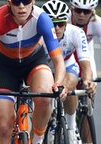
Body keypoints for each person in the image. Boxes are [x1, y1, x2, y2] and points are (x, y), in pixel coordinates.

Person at [0, 0, 67, 144]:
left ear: (32, 1)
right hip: (4, 67)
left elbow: (58, 61)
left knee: (45, 97)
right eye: (16, 2)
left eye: (25, 1)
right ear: (9, 2)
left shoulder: (42, 18)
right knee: (4, 128)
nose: (21, 6)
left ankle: (38, 139)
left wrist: (59, 83)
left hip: (33, 61)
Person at [42, 0, 97, 144]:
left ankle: (72, 129)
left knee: (71, 82)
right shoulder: (39, 36)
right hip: (46, 68)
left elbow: (85, 64)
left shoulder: (76, 32)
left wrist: (88, 81)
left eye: (60, 24)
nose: (56, 28)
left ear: (66, 23)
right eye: (52, 24)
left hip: (67, 65)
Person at [69, 0, 100, 143]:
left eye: (86, 12)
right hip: (68, 59)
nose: (81, 15)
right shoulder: (64, 20)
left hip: (86, 61)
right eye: (78, 10)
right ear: (72, 9)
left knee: (86, 102)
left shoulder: (97, 23)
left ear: (92, 12)